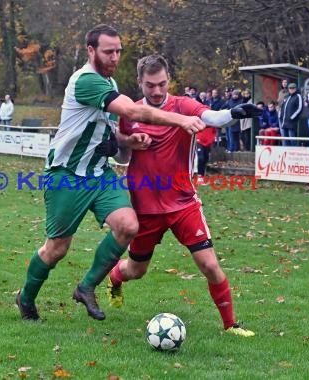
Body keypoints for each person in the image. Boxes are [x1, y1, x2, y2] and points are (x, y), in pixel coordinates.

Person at [15, 24, 207, 322]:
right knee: (56, 249)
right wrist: (181, 119)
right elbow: (132, 112)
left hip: (99, 174)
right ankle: (25, 298)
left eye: (118, 50)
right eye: (108, 51)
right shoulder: (86, 81)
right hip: (67, 176)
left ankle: (87, 286)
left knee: (129, 226)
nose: (115, 57)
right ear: (91, 51)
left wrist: (129, 142)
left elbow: (107, 135)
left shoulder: (109, 82)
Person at [106, 54, 260, 337]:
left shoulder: (183, 105)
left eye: (162, 84)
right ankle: (115, 277)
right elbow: (122, 155)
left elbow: (210, 117)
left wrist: (233, 114)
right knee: (136, 271)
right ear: (140, 82)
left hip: (182, 204)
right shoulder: (130, 112)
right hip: (145, 207)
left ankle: (230, 325)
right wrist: (128, 143)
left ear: (168, 81)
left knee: (210, 264)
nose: (157, 91)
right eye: (150, 85)